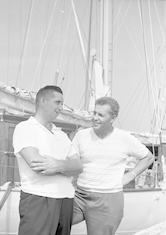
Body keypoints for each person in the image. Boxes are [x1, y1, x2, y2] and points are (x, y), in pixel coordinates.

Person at [72, 97, 155, 235]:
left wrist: (130, 176)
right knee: (54, 223)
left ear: (112, 118)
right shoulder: (81, 135)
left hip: (108, 200)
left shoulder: (124, 138)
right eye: (94, 113)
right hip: (79, 196)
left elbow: (148, 157)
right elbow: (72, 161)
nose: (95, 118)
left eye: (101, 115)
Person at [12, 85, 83, 235]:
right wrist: (66, 167)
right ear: (43, 101)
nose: (61, 108)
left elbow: (79, 167)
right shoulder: (25, 128)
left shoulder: (61, 135)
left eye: (61, 104)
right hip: (38, 199)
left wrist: (57, 165)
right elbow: (39, 166)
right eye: (57, 102)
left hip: (66, 199)